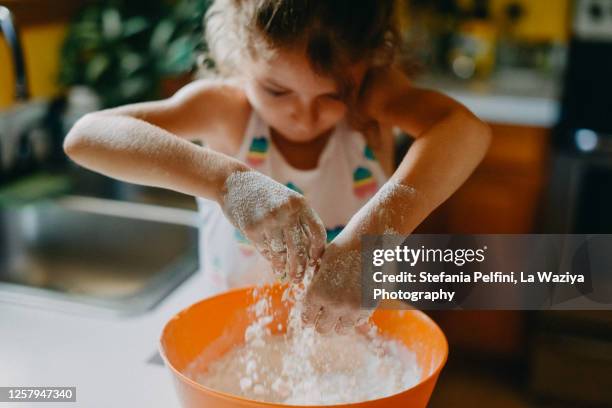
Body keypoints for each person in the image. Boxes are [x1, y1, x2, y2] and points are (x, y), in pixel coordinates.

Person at [63, 0, 491, 334]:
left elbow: (466, 131)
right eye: (276, 90)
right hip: (240, 334)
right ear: (238, 57)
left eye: (331, 96)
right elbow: (87, 136)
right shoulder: (225, 110)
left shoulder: (371, 104)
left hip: (362, 337)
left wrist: (370, 241)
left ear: (369, 68)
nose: (303, 117)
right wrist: (229, 182)